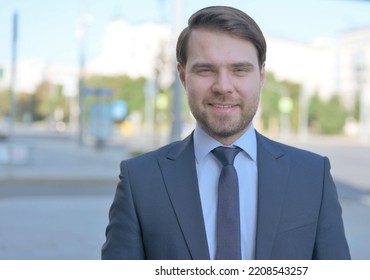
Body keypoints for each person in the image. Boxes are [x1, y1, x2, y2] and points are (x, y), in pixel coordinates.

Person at [101, 5, 350, 260]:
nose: (223, 86)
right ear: (183, 76)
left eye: (239, 70)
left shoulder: (311, 176)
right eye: (206, 70)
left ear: (261, 74)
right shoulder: (140, 180)